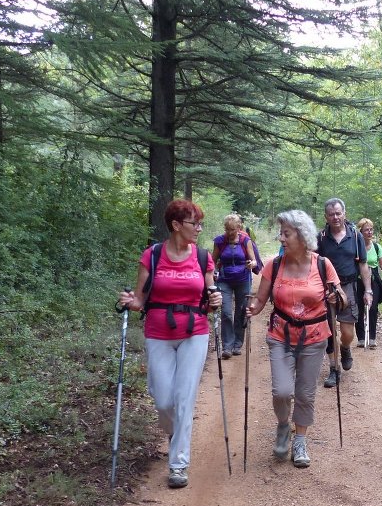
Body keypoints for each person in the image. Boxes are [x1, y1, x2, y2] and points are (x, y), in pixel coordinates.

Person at [118, 199, 222, 488]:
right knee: (163, 400)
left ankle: (178, 464)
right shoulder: (151, 256)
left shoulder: (203, 258)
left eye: (200, 223)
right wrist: (130, 302)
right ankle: (175, 434)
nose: (199, 228)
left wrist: (216, 300)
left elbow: (211, 298)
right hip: (159, 332)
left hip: (195, 332)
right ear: (176, 225)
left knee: (184, 397)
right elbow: (140, 300)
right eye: (194, 223)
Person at [247, 209, 345, 468]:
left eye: (286, 233)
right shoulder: (275, 265)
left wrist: (336, 298)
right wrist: (252, 309)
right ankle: (282, 425)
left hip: (314, 337)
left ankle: (300, 440)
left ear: (302, 236)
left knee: (305, 393)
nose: (281, 238)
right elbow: (260, 300)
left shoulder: (322, 265)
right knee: (282, 391)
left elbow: (341, 298)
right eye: (281, 233)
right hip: (281, 334)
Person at [316, 198, 372, 388]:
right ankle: (334, 369)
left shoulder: (356, 237)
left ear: (344, 213)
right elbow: (313, 263)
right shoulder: (321, 238)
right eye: (331, 214)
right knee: (329, 331)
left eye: (338, 213)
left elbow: (363, 265)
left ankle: (346, 348)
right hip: (326, 288)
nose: (335, 217)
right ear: (326, 216)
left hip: (348, 286)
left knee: (347, 333)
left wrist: (368, 290)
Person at [212, 213, 258, 359]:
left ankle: (238, 344)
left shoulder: (245, 241)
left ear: (239, 228)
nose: (229, 233)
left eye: (232, 229)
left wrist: (252, 264)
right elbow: (212, 260)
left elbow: (254, 260)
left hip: (243, 279)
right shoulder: (219, 241)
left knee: (241, 311)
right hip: (224, 279)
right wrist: (213, 271)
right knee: (225, 312)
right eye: (227, 229)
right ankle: (227, 346)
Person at [353, 217, 382, 348]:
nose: (370, 232)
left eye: (371, 229)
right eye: (366, 230)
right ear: (361, 232)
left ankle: (372, 337)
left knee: (373, 307)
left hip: (374, 279)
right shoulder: (356, 246)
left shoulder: (376, 247)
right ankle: (360, 337)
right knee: (359, 308)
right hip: (358, 280)